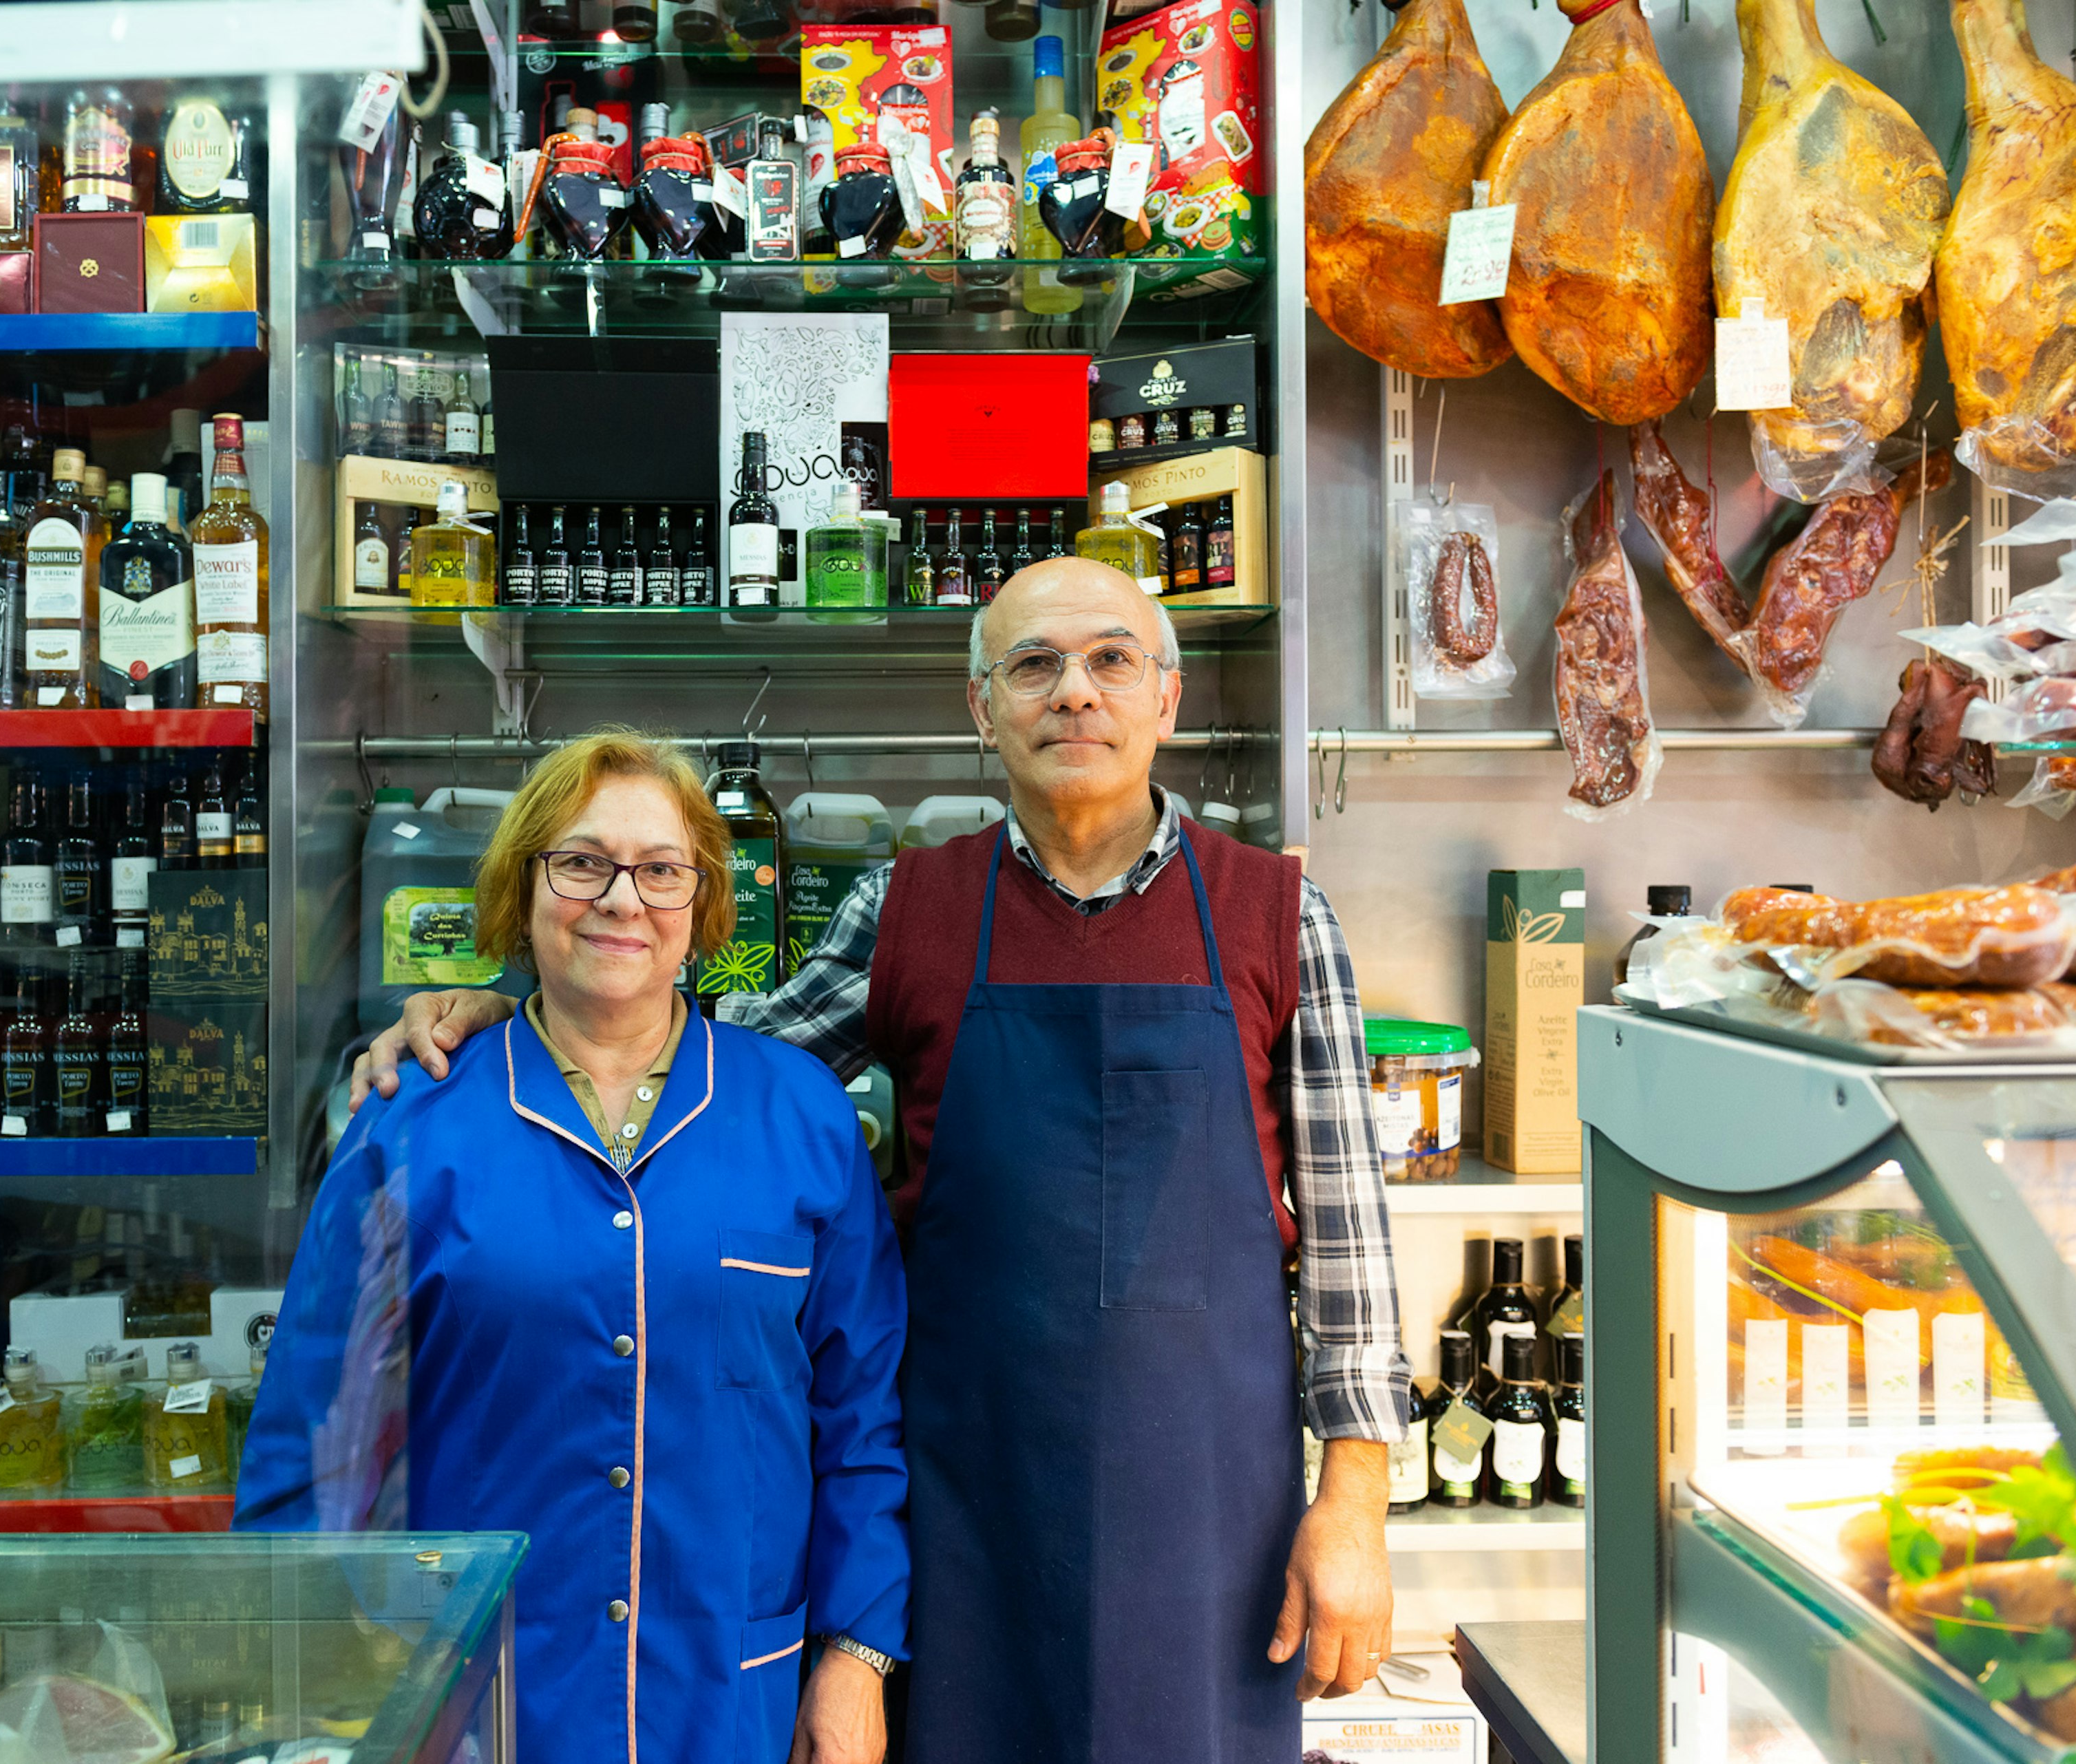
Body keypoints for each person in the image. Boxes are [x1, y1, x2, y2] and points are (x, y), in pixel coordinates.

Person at [354, 560, 1408, 1763]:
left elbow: (1349, 1234)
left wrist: (1355, 1506)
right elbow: (693, 1058)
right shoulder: (906, 909)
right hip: (964, 1502)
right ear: (981, 709)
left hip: (1209, 1512)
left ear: (1166, 699)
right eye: (1034, 666)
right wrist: (511, 1016)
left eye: (1113, 660)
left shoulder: (1277, 914)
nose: (1076, 694)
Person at [246, 731, 907, 1764]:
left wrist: (856, 1656)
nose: (620, 897)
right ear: (523, 887)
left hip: (733, 1695)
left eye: (660, 869)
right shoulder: (412, 1118)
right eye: (581, 862)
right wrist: (320, 1671)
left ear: (703, 904)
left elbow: (862, 1419)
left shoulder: (802, 1115)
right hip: (478, 1698)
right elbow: (319, 1428)